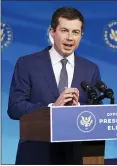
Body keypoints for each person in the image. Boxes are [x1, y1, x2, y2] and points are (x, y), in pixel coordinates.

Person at [7, 7, 101, 164]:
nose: (70, 38)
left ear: (81, 36)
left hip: (76, 155)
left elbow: (95, 113)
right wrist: (51, 109)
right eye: (64, 30)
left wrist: (77, 109)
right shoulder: (27, 64)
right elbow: (15, 108)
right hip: (37, 154)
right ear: (52, 32)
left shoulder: (91, 69)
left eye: (75, 32)